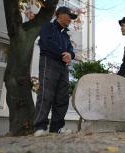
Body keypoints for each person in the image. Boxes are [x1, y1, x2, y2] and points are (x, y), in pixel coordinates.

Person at [34, 6, 77, 137]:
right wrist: (63, 53)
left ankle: (57, 127)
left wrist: (70, 55)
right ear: (60, 14)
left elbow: (71, 50)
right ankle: (40, 127)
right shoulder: (48, 27)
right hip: (49, 61)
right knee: (46, 94)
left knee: (62, 97)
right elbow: (46, 42)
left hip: (63, 66)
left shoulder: (65, 35)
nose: (70, 20)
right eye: (69, 16)